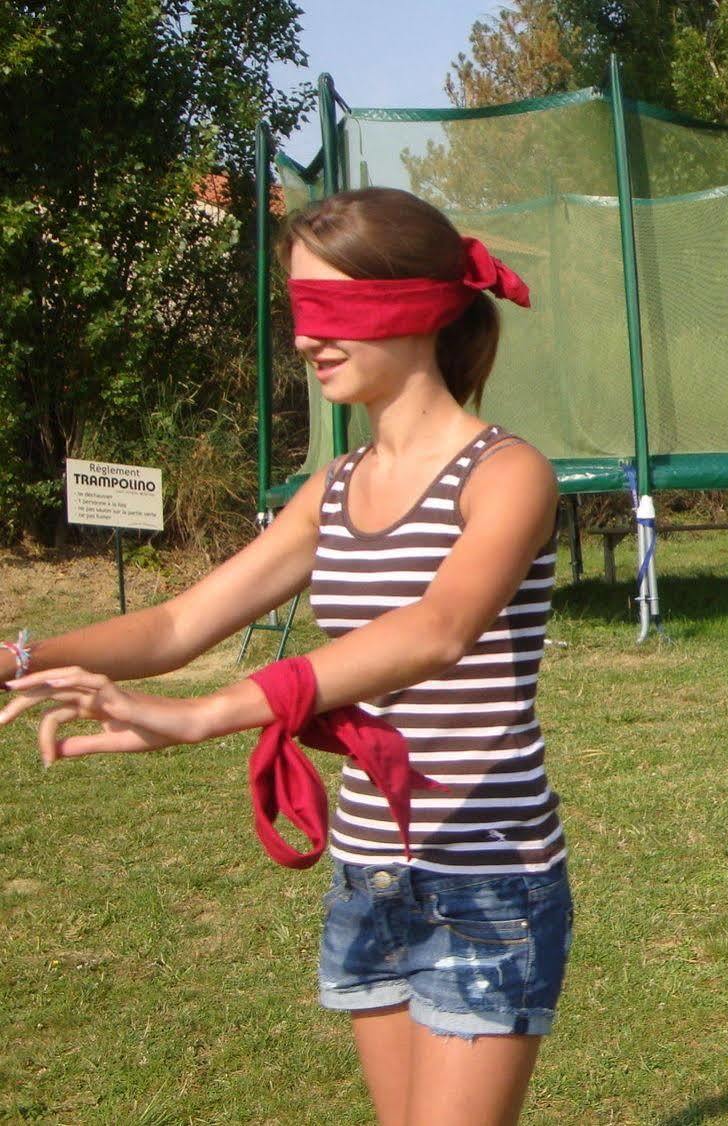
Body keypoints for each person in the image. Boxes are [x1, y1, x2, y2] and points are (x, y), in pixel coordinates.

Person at [0, 188, 569, 1125]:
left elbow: (439, 629)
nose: (307, 341)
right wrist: (17, 656)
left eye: (335, 311)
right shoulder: (335, 487)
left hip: (488, 875)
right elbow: (179, 625)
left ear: (420, 307)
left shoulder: (507, 474)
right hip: (370, 869)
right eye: (303, 314)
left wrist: (210, 713)